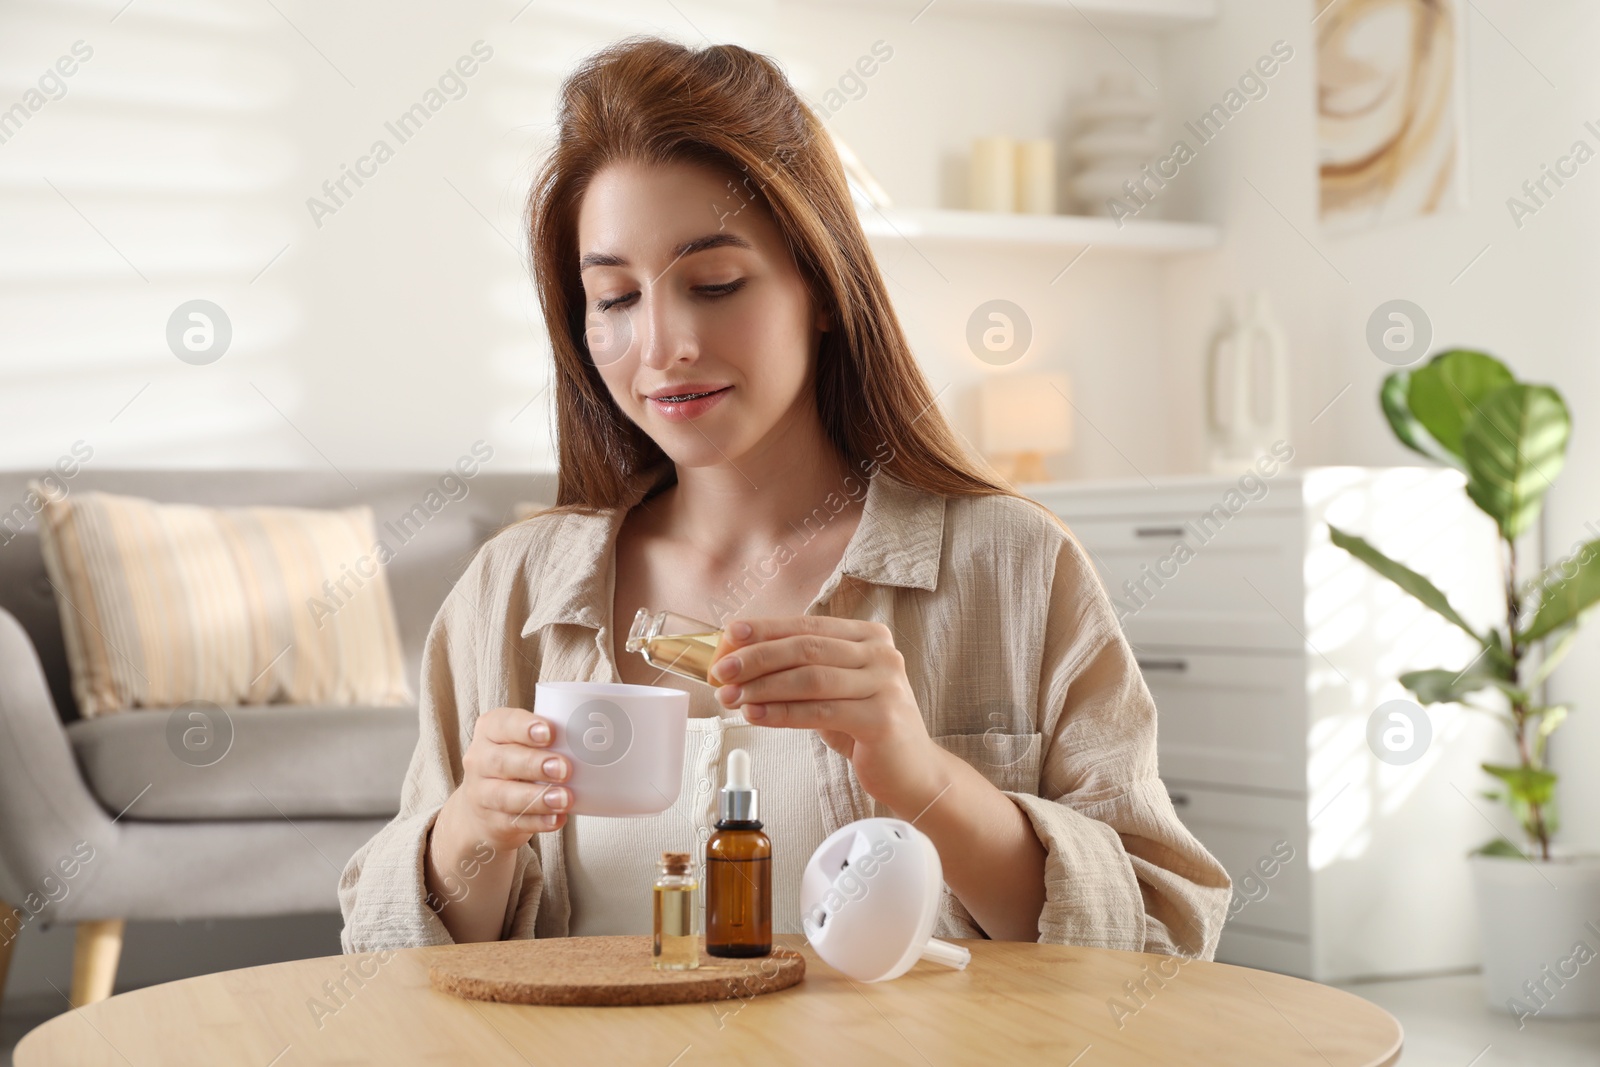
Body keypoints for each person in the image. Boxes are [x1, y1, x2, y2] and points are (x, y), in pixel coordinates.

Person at [338, 35, 1231, 957]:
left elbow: (1161, 940)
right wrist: (470, 833)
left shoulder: (1016, 567)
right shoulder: (512, 593)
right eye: (614, 297)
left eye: (714, 282)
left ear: (824, 285)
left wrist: (925, 778)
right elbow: (385, 966)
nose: (664, 344)